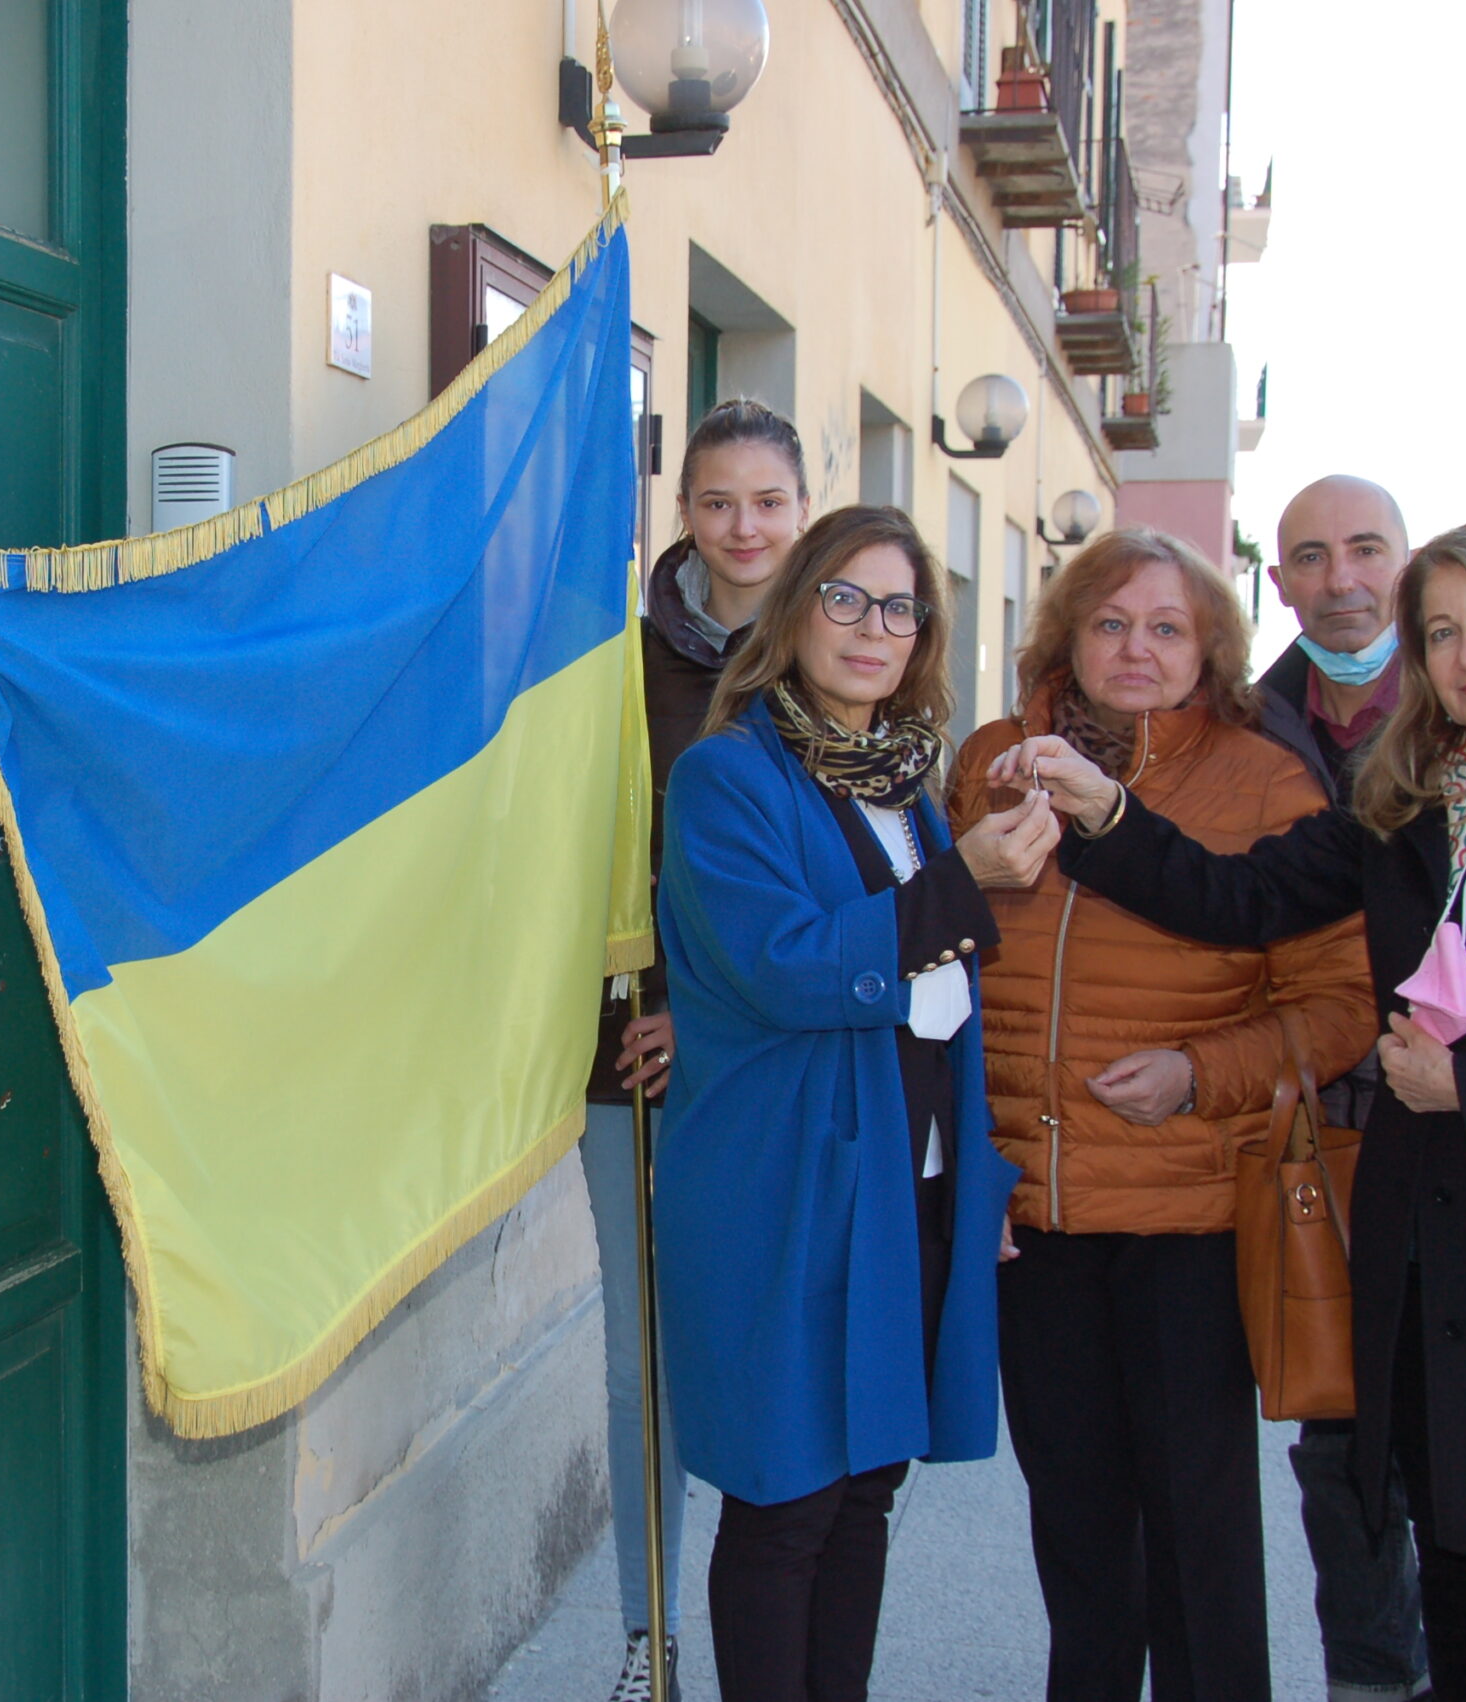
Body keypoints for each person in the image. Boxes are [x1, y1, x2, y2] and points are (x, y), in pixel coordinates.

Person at [1004, 516, 1466, 1701]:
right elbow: (1236, 897)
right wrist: (1104, 814)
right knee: (1452, 1570)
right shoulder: (1410, 803)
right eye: (1442, 629)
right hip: (1434, 1251)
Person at [949, 526, 1378, 1702]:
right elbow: (944, 975)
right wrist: (969, 1173)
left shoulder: (1262, 778)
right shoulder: (991, 757)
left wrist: (1201, 1070)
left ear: (1210, 651)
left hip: (1190, 1211)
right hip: (1033, 1212)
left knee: (1197, 1535)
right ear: (1065, 635)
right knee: (1075, 1526)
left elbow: (1337, 1005)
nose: (1136, 649)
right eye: (1110, 622)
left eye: (1167, 627)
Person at [655, 505, 1050, 1702]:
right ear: (793, 612)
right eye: (843, 597)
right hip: (782, 1184)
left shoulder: (906, 785)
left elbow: (952, 1006)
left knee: (868, 1479)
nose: (871, 627)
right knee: (787, 1495)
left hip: (904, 1174)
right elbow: (786, 964)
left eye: (897, 606)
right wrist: (959, 883)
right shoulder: (726, 776)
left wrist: (976, 1177)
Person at [582, 398, 809, 1702]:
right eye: (718, 502)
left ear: (801, 502)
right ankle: (645, 1632)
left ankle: (774, 1632)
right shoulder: (617, 660)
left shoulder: (843, 641)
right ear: (683, 513)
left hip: (784, 1053)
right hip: (641, 1059)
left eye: (768, 502)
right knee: (645, 1356)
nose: (743, 528)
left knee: (772, 1333)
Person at [1262, 475, 1433, 1702]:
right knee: (1339, 1444)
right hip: (1310, 1124)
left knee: (1464, 1432)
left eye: (1364, 548)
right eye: (1312, 557)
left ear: (1405, 560)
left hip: (1459, 1122)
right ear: (1280, 585)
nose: (1341, 578)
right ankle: (1370, 1681)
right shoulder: (1242, 716)